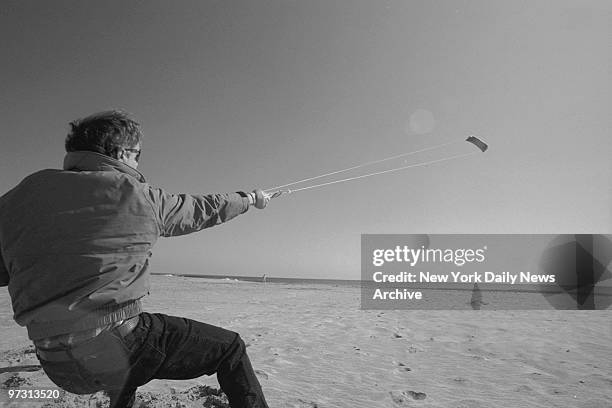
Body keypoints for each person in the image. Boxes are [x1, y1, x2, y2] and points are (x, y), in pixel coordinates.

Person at [0, 110, 272, 408]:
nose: (138, 162)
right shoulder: (138, 195)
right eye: (137, 154)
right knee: (230, 349)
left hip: (54, 362)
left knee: (122, 370)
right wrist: (248, 199)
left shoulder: (17, 197)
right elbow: (200, 209)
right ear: (119, 152)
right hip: (121, 346)